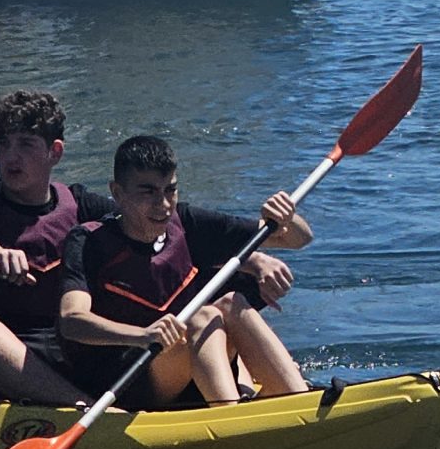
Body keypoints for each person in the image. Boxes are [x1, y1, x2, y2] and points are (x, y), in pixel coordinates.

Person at [57, 135, 312, 408]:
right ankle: (230, 415)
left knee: (232, 303)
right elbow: (72, 320)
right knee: (203, 316)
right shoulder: (88, 242)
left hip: (186, 361)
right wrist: (143, 335)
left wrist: (286, 216)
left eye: (170, 190)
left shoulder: (186, 222)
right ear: (118, 193)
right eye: (148, 192)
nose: (164, 204)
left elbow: (298, 238)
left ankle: (299, 399)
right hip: (124, 378)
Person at [0, 90, 114, 404]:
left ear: (54, 152)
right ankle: (88, 410)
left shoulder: (83, 205)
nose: (10, 157)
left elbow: (144, 220)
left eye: (25, 144)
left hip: (64, 350)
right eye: (3, 144)